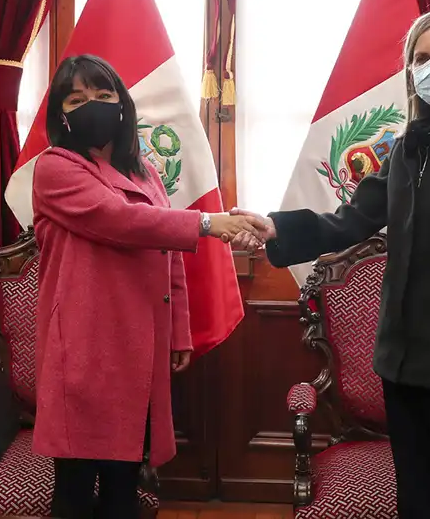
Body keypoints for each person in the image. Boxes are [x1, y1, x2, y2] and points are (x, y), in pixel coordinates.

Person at [231, 10, 430, 519]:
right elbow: (351, 220)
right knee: (418, 503)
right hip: (403, 368)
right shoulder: (407, 150)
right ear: (410, 73)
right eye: (421, 59)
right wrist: (277, 228)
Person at [31, 54, 266, 519]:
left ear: (123, 105)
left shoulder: (145, 173)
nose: (92, 105)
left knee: (125, 490)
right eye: (77, 99)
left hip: (138, 350)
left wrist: (178, 333)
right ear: (61, 114)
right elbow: (122, 221)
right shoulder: (54, 168)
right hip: (80, 350)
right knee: (74, 493)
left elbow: (168, 258)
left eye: (104, 94)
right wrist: (206, 223)